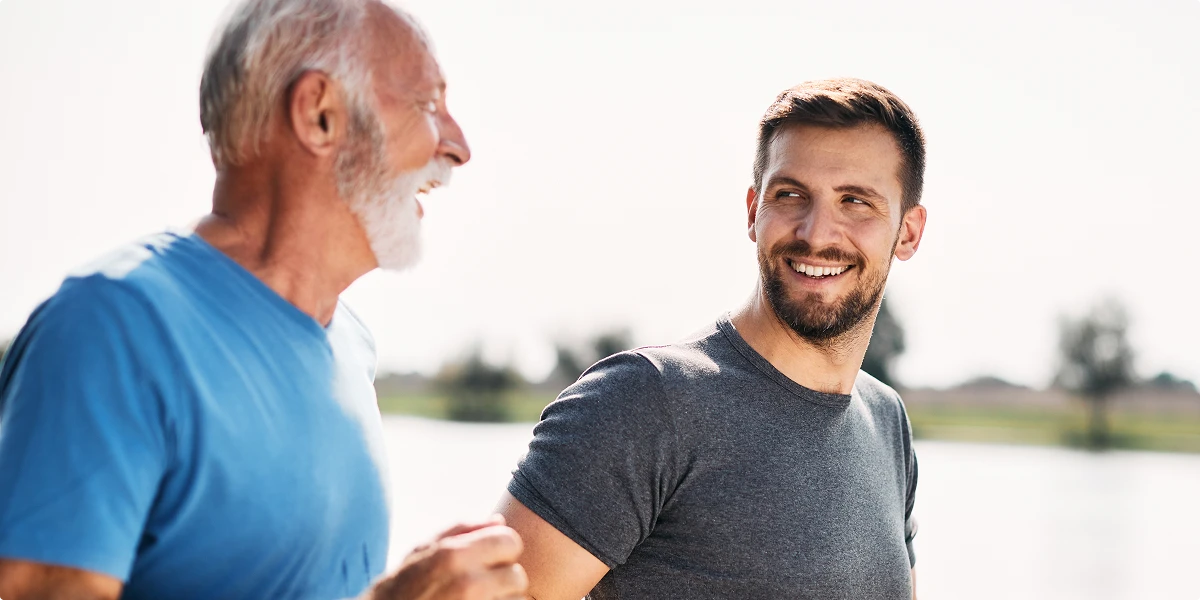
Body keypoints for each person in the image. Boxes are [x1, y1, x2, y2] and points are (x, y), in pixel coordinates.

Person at [0, 1, 527, 599]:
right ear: (321, 114)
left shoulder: (352, 346)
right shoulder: (110, 331)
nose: (458, 146)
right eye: (428, 105)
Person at [496, 78, 929, 600]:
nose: (816, 233)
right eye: (790, 195)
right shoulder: (645, 401)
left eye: (856, 201)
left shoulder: (887, 421)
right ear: (753, 211)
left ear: (908, 232)